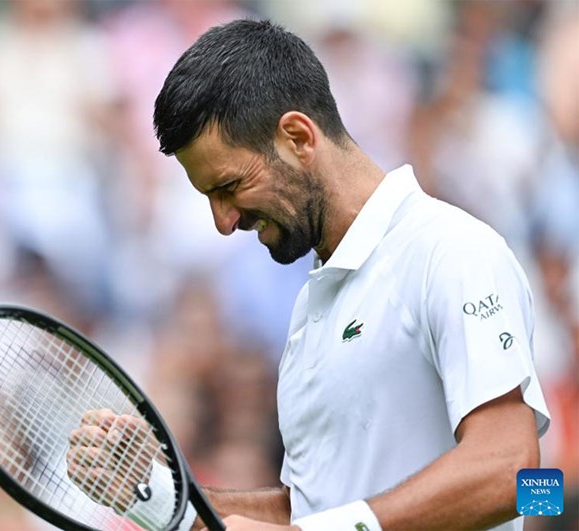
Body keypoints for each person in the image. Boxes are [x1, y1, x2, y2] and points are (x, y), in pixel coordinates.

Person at [68, 19, 550, 531]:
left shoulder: (451, 251)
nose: (224, 222)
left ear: (298, 137)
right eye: (209, 197)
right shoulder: (312, 305)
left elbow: (519, 478)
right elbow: (313, 508)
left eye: (230, 186)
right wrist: (154, 493)